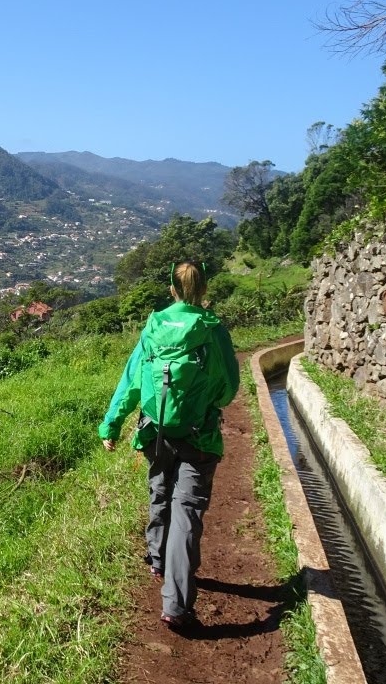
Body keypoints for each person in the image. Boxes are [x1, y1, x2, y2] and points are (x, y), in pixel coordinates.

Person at [98, 260, 239, 629]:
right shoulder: (213, 330)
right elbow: (228, 390)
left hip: (154, 431)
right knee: (186, 513)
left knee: (159, 489)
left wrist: (110, 424)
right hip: (199, 435)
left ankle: (157, 559)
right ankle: (175, 605)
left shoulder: (153, 327)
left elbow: (131, 380)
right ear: (204, 289)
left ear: (171, 290)